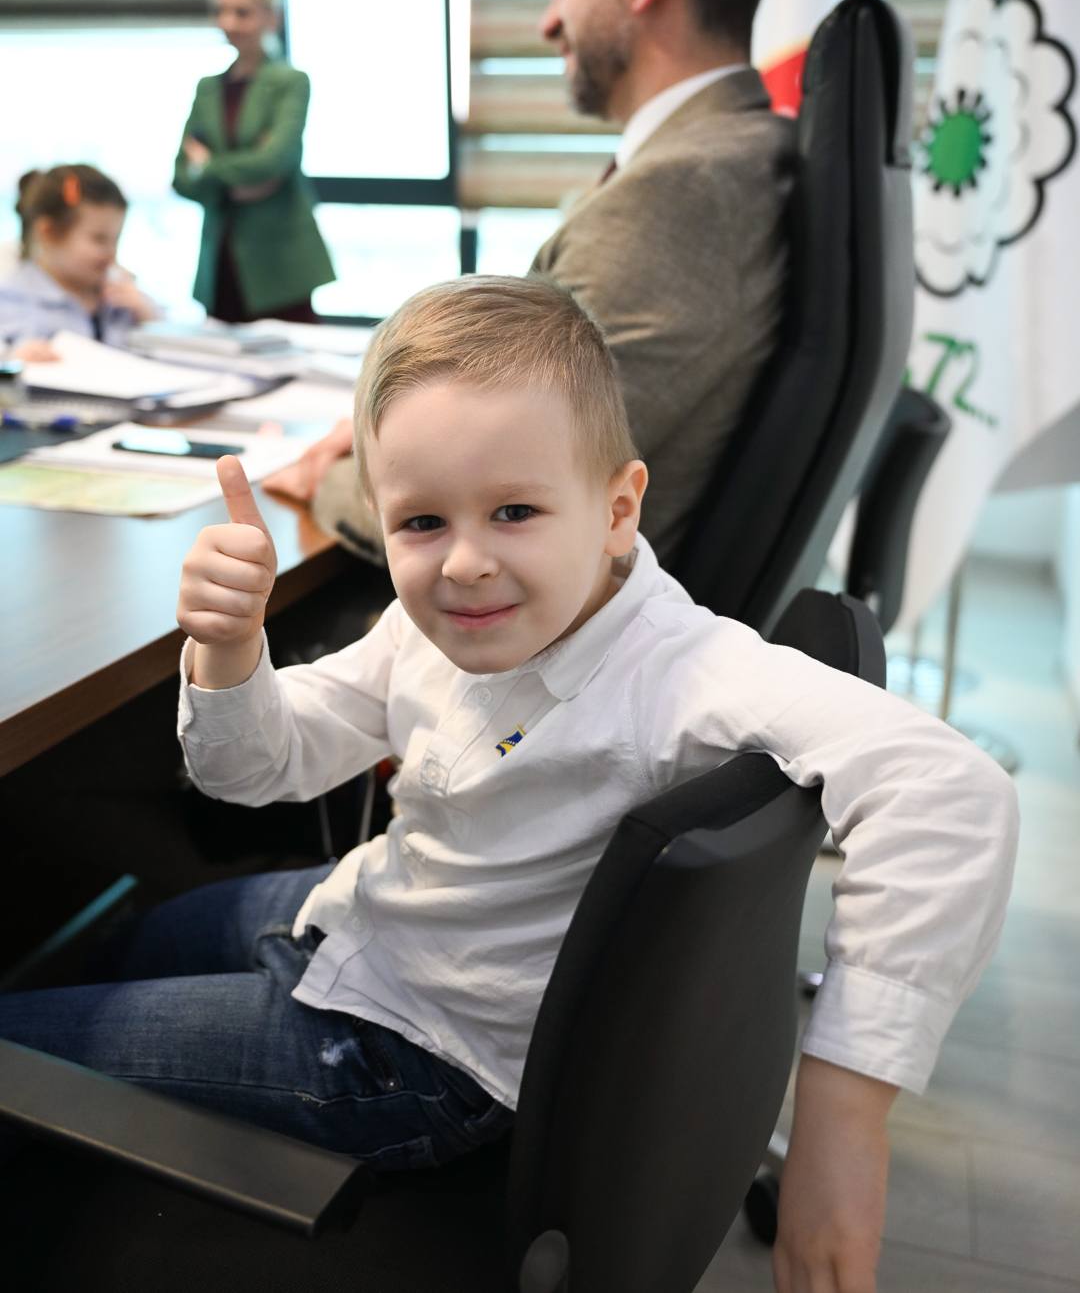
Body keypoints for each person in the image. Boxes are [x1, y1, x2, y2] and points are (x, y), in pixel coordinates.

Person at [0, 276, 1018, 1293]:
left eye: (516, 511)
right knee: (113, 944)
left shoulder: (684, 672)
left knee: (20, 1049)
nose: (465, 564)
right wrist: (230, 652)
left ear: (617, 510)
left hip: (409, 1054)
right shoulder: (434, 623)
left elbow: (952, 793)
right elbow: (257, 768)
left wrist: (844, 1121)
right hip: (364, 918)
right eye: (421, 522)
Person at [268, 0, 794, 569]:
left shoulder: (679, 194)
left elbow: (508, 481)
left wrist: (330, 476)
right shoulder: (740, 154)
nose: (550, 20)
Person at [173, 0, 335, 325]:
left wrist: (208, 164)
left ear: (270, 17)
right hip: (221, 258)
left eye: (241, 12)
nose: (228, 23)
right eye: (221, 11)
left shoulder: (290, 82)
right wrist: (239, 175)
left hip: (279, 260)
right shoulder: (208, 89)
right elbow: (181, 177)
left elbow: (274, 161)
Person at [0, 164, 157, 361]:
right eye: (99, 239)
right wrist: (13, 359)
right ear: (49, 233)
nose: (111, 252)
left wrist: (147, 315)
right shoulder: (11, 300)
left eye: (116, 239)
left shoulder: (122, 298)